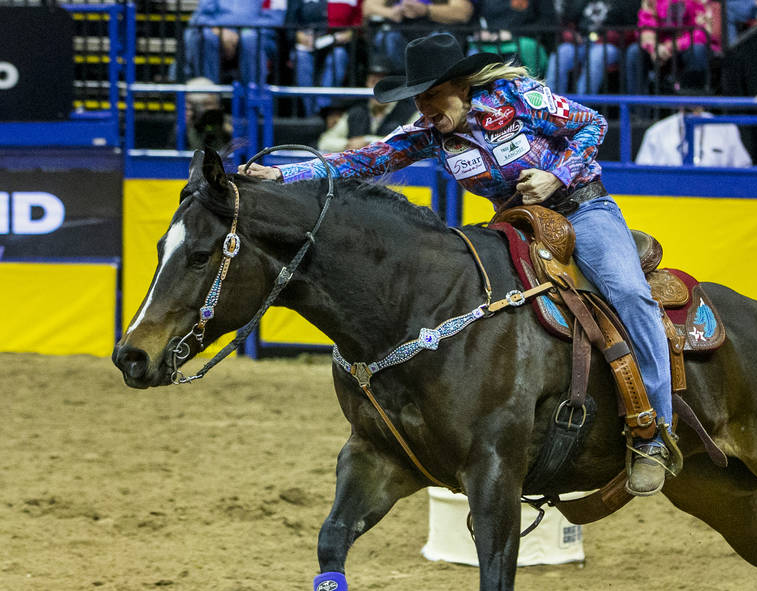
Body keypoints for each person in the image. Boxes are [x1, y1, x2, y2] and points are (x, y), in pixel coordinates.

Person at [240, 32, 676, 495]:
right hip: (515, 222)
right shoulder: (429, 134)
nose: (424, 108)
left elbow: (592, 125)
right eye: (417, 99)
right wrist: (281, 176)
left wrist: (556, 175)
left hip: (582, 208)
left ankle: (655, 432)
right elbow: (361, 161)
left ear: (462, 86)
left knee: (629, 293)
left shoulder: (517, 97)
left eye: (432, 96)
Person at [634, 71, 751, 166]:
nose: (690, 107)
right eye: (686, 101)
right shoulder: (657, 132)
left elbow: (743, 168)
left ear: (704, 101)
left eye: (694, 102)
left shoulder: (726, 130)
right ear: (678, 101)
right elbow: (642, 174)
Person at [316, 56, 418, 151]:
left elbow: (414, 143)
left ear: (393, 86)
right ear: (367, 84)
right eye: (373, 82)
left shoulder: (410, 111)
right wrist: (347, 145)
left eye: (383, 83)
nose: (377, 89)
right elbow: (324, 142)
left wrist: (368, 141)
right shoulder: (356, 112)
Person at [285, 0, 363, 117]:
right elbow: (289, 27)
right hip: (308, 44)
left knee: (338, 55)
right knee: (300, 57)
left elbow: (359, 25)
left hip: (337, 44)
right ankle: (311, 111)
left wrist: (349, 34)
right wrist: (299, 36)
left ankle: (322, 107)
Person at [176, 0, 282, 85]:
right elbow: (200, 17)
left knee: (249, 39)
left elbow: (274, 20)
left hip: (258, 36)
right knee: (205, 36)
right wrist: (219, 31)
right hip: (219, 34)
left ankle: (253, 104)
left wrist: (240, 34)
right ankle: (210, 99)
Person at [546, 0, 640, 95]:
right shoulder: (578, 3)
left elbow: (631, 29)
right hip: (581, 43)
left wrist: (607, 37)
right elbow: (567, 24)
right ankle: (552, 102)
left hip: (611, 45)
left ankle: (581, 105)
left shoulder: (624, 3)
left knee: (597, 55)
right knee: (562, 52)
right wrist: (571, 35)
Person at [624, 0, 715, 95]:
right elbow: (646, 26)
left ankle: (694, 106)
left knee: (698, 50)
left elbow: (702, 32)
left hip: (687, 47)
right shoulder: (652, 2)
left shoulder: (699, 2)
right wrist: (653, 47)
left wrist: (672, 46)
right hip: (659, 50)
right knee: (634, 52)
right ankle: (637, 107)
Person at [363, 0, 474, 75]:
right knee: (388, 37)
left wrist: (426, 10)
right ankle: (402, 80)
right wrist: (391, 12)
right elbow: (367, 7)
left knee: (441, 39)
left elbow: (464, 12)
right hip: (400, 39)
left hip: (435, 34)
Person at [469, 0, 558, 78]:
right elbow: (474, 18)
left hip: (523, 43)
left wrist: (512, 34)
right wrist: (480, 31)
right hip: (488, 43)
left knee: (513, 66)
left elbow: (547, 22)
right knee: (473, 55)